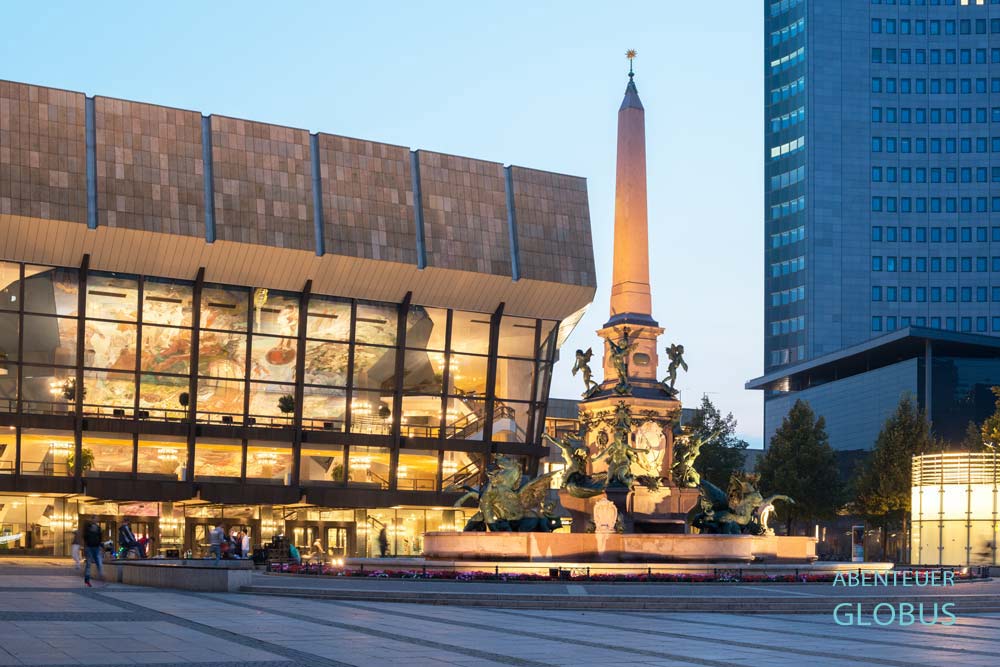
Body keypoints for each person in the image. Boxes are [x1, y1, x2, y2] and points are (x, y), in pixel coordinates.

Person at [82, 517, 103, 587]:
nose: (96, 520)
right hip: (89, 547)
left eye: (96, 519)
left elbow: (100, 537)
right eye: (94, 519)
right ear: (92, 520)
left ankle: (101, 576)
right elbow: (85, 536)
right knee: (88, 564)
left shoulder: (98, 528)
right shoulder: (88, 527)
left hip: (96, 547)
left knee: (98, 562)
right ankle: (87, 580)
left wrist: (99, 545)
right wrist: (86, 544)